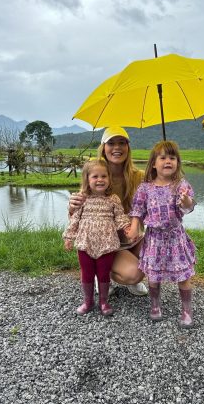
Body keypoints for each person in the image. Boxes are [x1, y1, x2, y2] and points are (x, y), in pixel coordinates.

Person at [68, 127, 148, 296]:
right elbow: (80, 212)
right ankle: (101, 273)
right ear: (103, 147)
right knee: (134, 273)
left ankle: (123, 269)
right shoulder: (97, 175)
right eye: (111, 143)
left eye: (122, 143)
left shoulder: (140, 177)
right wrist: (72, 207)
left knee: (161, 252)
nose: (117, 147)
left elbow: (153, 207)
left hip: (134, 237)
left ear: (128, 147)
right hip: (107, 244)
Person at [126, 140, 197, 328]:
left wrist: (187, 202)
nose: (168, 161)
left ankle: (186, 310)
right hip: (154, 239)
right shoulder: (145, 188)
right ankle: (155, 306)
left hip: (175, 238)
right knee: (154, 276)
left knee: (183, 276)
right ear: (154, 164)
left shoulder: (181, 185)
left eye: (172, 158)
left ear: (177, 163)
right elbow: (137, 210)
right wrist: (134, 227)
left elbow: (189, 207)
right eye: (163, 157)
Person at [63, 159, 131, 317]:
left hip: (107, 243)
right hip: (85, 243)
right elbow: (75, 220)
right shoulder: (82, 198)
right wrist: (68, 237)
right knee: (86, 272)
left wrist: (127, 228)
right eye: (95, 176)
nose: (100, 180)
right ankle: (88, 301)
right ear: (87, 179)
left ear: (109, 178)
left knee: (103, 273)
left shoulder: (113, 199)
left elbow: (120, 217)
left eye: (104, 176)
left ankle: (103, 301)